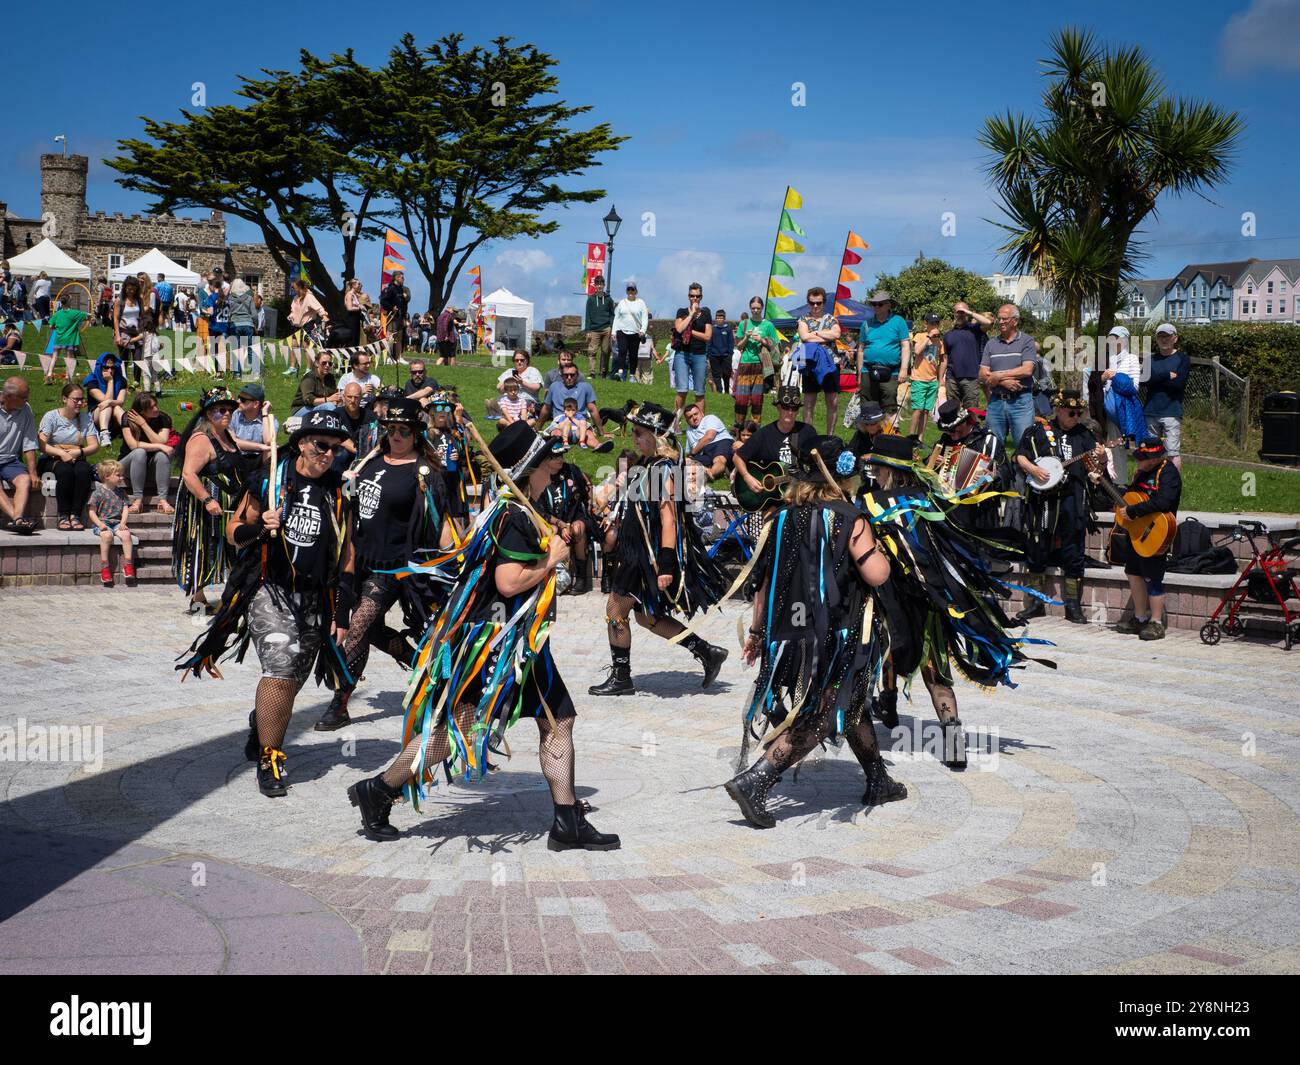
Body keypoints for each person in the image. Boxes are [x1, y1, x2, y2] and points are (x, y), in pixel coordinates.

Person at [345, 420, 620, 849]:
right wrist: (553, 560)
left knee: (555, 719)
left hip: (515, 643)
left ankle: (567, 820)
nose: (555, 464)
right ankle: (379, 788)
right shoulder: (513, 515)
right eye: (546, 458)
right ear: (531, 467)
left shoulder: (517, 507)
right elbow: (509, 581)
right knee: (460, 727)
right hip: (499, 646)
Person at [723, 434, 903, 827]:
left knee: (848, 700)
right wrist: (883, 551)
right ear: (843, 477)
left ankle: (877, 778)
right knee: (822, 713)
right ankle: (757, 779)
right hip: (840, 635)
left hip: (794, 633)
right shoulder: (849, 519)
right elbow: (876, 573)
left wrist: (756, 633)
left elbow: (764, 585)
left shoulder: (781, 518)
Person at [178, 409, 355, 797]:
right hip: (268, 589)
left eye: (335, 448)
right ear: (301, 443)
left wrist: (342, 612)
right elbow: (232, 532)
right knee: (280, 665)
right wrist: (261, 528)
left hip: (315, 596)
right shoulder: (269, 480)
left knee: (293, 680)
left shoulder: (339, 489)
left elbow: (348, 555)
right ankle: (270, 757)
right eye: (321, 446)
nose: (328, 455)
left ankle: (262, 723)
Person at [862, 433, 1042, 764]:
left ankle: (887, 701)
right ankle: (951, 734)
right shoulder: (927, 500)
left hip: (891, 602)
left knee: (887, 650)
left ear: (888, 469)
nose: (873, 474)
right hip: (934, 600)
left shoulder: (870, 504)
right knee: (936, 672)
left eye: (876, 468)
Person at [313, 397, 455, 732]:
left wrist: (453, 561)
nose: (396, 436)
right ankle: (412, 658)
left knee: (359, 624)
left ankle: (339, 701)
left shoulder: (425, 472)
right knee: (370, 629)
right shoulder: (369, 463)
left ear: (416, 434)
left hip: (394, 565)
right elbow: (349, 503)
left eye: (404, 431)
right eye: (391, 429)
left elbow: (440, 521)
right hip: (359, 557)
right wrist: (347, 480)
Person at [590, 402, 729, 696]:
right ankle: (706, 651)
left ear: (657, 437)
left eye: (640, 433)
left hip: (645, 556)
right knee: (646, 617)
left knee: (616, 610)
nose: (634, 438)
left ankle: (621, 678)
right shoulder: (647, 464)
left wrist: (666, 566)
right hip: (636, 551)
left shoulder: (663, 469)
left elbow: (669, 520)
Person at [1013, 390, 1106, 624]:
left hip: (1072, 497)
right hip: (1042, 500)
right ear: (1058, 410)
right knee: (1037, 547)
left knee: (1074, 550)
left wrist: (1101, 459)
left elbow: (1095, 468)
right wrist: (1034, 470)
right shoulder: (1038, 431)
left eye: (1079, 413)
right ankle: (1034, 603)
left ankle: (1073, 607)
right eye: (1071, 412)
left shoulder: (1084, 434)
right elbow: (1019, 456)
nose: (1076, 417)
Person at [173, 388, 244, 615]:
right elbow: (188, 474)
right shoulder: (201, 439)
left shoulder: (227, 436)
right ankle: (198, 600)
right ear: (207, 413)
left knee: (231, 549)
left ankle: (233, 595)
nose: (226, 413)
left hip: (229, 506)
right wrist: (207, 499)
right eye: (220, 410)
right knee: (203, 548)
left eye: (229, 410)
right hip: (204, 508)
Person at [1111, 438, 1182, 641]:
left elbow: (1164, 501)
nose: (1139, 461)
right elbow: (1133, 497)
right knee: (1133, 572)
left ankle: (1156, 622)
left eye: (1144, 458)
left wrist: (1133, 511)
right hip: (1137, 531)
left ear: (1156, 459)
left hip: (1156, 532)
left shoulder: (1168, 473)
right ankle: (1140, 618)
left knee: (1152, 576)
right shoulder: (1143, 472)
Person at [731, 384, 816, 512]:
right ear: (778, 407)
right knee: (771, 526)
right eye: (786, 407)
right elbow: (737, 457)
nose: (790, 412)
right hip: (771, 498)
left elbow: (816, 463)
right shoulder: (764, 434)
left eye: (794, 408)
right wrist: (747, 477)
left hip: (799, 492)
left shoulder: (807, 432)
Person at [1083, 325, 1145, 484]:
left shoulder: (1131, 359)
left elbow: (1134, 388)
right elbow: (1092, 384)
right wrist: (1102, 378)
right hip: (1102, 412)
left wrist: (1115, 376)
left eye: (1116, 337)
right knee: (1101, 450)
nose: (1113, 340)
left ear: (1124, 340)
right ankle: (1102, 486)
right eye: (1111, 337)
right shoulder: (1103, 359)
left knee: (1117, 451)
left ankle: (1120, 487)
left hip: (1120, 413)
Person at [38, 382, 100, 530]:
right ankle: (63, 514)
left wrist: (78, 452)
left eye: (82, 399)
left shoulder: (85, 418)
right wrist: (61, 453)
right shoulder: (51, 417)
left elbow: (94, 445)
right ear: (64, 399)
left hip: (76, 455)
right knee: (65, 472)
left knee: (83, 471)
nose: (80, 403)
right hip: (52, 457)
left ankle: (76, 515)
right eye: (76, 399)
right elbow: (42, 445)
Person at [540, 440, 595, 595]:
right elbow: (539, 510)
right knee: (550, 530)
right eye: (556, 457)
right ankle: (552, 575)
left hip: (574, 516)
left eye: (561, 455)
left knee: (578, 528)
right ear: (546, 460)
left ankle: (581, 578)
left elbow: (586, 485)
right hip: (551, 520)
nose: (560, 459)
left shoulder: (571, 470)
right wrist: (561, 524)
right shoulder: (539, 476)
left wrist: (590, 502)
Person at [978, 304, 1037, 449]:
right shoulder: (991, 344)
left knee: (1024, 446)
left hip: (1021, 402)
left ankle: (1021, 472)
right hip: (996, 402)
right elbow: (981, 374)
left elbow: (1027, 369)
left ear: (1015, 321)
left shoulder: (1027, 341)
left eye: (1005, 319)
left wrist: (998, 376)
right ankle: (996, 472)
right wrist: (1002, 382)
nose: (1001, 321)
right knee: (992, 447)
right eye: (999, 318)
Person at [1144, 323, 1190, 470]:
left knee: (1172, 452)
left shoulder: (1182, 358)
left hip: (1172, 411)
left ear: (1175, 338)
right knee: (1152, 453)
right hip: (1150, 411)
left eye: (1167, 336)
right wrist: (1166, 376)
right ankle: (1152, 484)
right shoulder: (1150, 359)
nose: (1164, 340)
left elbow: (1178, 384)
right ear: (1156, 339)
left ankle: (1173, 486)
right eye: (1160, 336)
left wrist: (1155, 379)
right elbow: (1143, 381)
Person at [796, 287, 842, 433]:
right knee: (809, 402)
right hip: (809, 362)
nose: (815, 306)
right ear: (808, 302)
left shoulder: (831, 318)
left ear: (824, 303)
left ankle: (830, 436)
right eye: (812, 303)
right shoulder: (802, 319)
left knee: (832, 402)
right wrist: (825, 335)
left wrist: (814, 333)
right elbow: (804, 337)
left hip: (830, 363)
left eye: (819, 303)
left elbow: (836, 334)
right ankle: (808, 435)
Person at [120, 392, 176, 513]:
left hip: (151, 469)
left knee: (162, 455)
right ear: (141, 411)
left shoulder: (163, 418)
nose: (156, 409)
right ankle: (138, 500)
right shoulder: (127, 418)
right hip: (128, 466)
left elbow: (161, 440)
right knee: (139, 452)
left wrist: (144, 424)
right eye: (151, 408)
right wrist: (160, 446)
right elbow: (133, 445)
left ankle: (163, 500)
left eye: (156, 405)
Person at [858, 290, 910, 417]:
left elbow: (905, 346)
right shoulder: (866, 324)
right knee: (868, 408)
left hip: (891, 372)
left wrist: (904, 369)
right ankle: (868, 435)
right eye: (874, 304)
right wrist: (859, 373)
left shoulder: (899, 321)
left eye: (880, 304)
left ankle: (887, 435)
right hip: (868, 371)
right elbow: (860, 350)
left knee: (889, 407)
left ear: (888, 305)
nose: (876, 307)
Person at [87, 460, 135, 586]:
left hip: (117, 522)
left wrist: (123, 522)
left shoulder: (121, 492)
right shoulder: (97, 492)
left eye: (121, 475)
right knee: (107, 536)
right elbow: (91, 512)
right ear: (107, 476)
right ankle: (105, 567)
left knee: (126, 535)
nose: (121, 477)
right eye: (118, 475)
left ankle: (128, 565)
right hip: (103, 523)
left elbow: (125, 508)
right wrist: (100, 524)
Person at [0, 377, 39, 534]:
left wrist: (33, 472)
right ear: (8, 397)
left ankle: (17, 520)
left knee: (24, 480)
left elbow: (29, 443)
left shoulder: (26, 409)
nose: (26, 400)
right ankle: (18, 520)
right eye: (23, 397)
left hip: (10, 459)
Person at [672, 283, 713, 420]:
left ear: (701, 297)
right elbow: (678, 328)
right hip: (682, 354)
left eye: (697, 296)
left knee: (700, 392)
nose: (694, 298)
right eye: (692, 296)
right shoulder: (682, 312)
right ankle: (675, 423)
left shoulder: (706, 314)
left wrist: (690, 331)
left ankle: (700, 425)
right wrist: (690, 315)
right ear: (688, 296)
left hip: (699, 355)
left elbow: (707, 336)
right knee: (682, 390)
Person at [539, 361, 609, 438]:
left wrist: (601, 432)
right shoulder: (554, 386)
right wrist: (537, 428)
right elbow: (546, 409)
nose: (569, 377)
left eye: (572, 375)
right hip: (560, 422)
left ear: (577, 375)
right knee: (556, 433)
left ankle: (598, 446)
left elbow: (593, 410)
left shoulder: (585, 387)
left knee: (589, 434)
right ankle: (559, 447)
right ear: (562, 375)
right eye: (566, 375)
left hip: (579, 421)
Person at [908, 313, 947, 436]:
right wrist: (929, 337)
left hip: (932, 380)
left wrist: (940, 379)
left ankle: (920, 438)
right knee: (918, 409)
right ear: (926, 324)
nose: (935, 325)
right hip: (919, 379)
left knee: (925, 411)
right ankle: (911, 436)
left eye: (937, 323)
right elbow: (917, 351)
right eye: (932, 323)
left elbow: (943, 360)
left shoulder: (940, 342)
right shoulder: (919, 336)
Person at [228, 383, 277, 476]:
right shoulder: (234, 415)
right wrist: (260, 446)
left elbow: (268, 441)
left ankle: (265, 482)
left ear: (255, 404)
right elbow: (233, 441)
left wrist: (265, 413)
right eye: (239, 397)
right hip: (239, 457)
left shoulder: (269, 420)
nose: (238, 401)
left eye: (243, 400)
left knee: (270, 451)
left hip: (259, 459)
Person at [83, 352, 129, 445]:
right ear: (100, 367)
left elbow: (120, 402)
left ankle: (130, 431)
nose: (109, 370)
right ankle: (104, 434)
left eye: (113, 367)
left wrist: (110, 402)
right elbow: (105, 400)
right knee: (106, 407)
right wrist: (110, 381)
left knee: (116, 407)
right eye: (106, 367)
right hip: (96, 416)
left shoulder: (121, 380)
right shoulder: (92, 381)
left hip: (114, 415)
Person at [285, 280, 329, 376]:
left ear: (300, 288)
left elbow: (319, 308)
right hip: (296, 325)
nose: (293, 289)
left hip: (308, 324)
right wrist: (291, 316)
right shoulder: (295, 298)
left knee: (306, 346)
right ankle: (292, 368)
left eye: (294, 287)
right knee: (294, 345)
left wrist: (324, 315)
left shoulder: (309, 297)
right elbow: (293, 310)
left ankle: (309, 369)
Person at [683, 402, 734, 479]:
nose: (694, 418)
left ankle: (709, 474)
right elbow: (692, 451)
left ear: (702, 413)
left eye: (696, 414)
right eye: (690, 417)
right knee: (686, 461)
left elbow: (709, 436)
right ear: (687, 421)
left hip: (720, 442)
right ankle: (721, 469)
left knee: (718, 459)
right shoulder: (689, 432)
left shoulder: (709, 418)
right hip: (706, 452)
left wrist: (693, 453)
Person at [612, 282, 649, 382]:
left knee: (633, 354)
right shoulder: (622, 303)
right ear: (626, 291)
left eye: (632, 289)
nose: (630, 292)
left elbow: (644, 318)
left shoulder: (641, 302)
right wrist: (613, 332)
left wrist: (642, 330)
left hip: (635, 332)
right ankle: (620, 373)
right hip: (622, 330)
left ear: (636, 291)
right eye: (629, 289)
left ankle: (632, 375)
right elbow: (617, 318)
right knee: (622, 351)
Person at [48, 301, 89, 386]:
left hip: (59, 339)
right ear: (69, 303)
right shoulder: (74, 313)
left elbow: (50, 326)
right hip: (69, 340)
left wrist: (57, 328)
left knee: (54, 357)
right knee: (69, 358)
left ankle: (49, 374)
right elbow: (87, 316)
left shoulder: (57, 313)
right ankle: (67, 377)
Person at [112, 277, 145, 384]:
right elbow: (116, 319)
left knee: (138, 359)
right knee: (123, 359)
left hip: (137, 333)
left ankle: (136, 382)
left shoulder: (139, 300)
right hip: (123, 332)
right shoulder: (119, 300)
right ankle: (123, 382)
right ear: (125, 287)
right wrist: (117, 335)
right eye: (129, 288)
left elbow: (142, 316)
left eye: (133, 289)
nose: (131, 291)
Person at [582, 275, 615, 377]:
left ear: (604, 285)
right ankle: (592, 372)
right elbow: (588, 315)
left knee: (606, 351)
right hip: (594, 329)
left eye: (601, 284)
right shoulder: (590, 300)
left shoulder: (609, 299)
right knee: (592, 351)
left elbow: (612, 314)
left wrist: (611, 326)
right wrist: (588, 330)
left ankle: (604, 371)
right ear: (595, 286)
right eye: (597, 284)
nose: (599, 286)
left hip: (606, 329)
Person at [294, 351, 341, 416]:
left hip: (321, 406)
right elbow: (308, 400)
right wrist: (329, 399)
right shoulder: (309, 378)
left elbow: (334, 395)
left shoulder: (330, 377)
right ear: (317, 363)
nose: (327, 365)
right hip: (303, 408)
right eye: (324, 363)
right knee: (329, 406)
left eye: (330, 363)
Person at [333, 383, 366, 472]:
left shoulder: (368, 415)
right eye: (349, 397)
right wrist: (358, 451)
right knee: (341, 454)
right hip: (344, 454)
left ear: (361, 398)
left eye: (356, 397)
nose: (352, 400)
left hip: (365, 455)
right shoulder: (336, 414)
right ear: (343, 397)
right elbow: (336, 437)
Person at [226, 279, 256, 365]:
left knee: (236, 349)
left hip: (235, 324)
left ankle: (237, 373)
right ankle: (254, 371)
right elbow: (254, 314)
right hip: (248, 324)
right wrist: (255, 324)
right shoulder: (249, 298)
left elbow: (228, 313)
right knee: (250, 348)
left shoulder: (230, 299)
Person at [707, 308, 735, 396]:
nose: (719, 319)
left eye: (721, 317)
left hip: (726, 356)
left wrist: (730, 354)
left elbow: (731, 342)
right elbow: (709, 342)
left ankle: (726, 390)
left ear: (724, 318)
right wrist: (709, 353)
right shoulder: (712, 329)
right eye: (717, 317)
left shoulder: (728, 329)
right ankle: (719, 391)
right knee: (716, 375)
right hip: (714, 356)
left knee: (726, 374)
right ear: (715, 318)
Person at [380, 270, 411, 350]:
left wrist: (404, 317)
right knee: (390, 335)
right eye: (402, 278)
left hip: (400, 316)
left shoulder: (400, 289)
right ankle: (388, 356)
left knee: (399, 337)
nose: (403, 279)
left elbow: (404, 304)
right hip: (392, 316)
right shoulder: (391, 288)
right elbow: (383, 301)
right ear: (396, 278)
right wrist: (391, 308)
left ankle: (398, 357)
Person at [343, 279, 365, 346]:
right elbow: (349, 308)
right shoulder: (349, 295)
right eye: (358, 284)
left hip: (356, 319)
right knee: (352, 339)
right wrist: (359, 308)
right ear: (353, 285)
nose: (359, 285)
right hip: (352, 319)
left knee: (356, 338)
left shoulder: (354, 295)